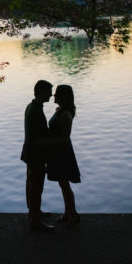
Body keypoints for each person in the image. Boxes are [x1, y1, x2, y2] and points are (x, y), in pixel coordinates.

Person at [21, 80, 56, 232]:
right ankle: (35, 220)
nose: (51, 94)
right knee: (36, 186)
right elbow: (37, 139)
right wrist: (56, 142)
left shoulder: (32, 106)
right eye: (49, 91)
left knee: (31, 183)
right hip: (36, 155)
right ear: (41, 92)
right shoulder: (35, 111)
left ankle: (34, 212)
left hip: (29, 152)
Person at [47, 84, 81, 226]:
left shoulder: (66, 114)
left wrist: (46, 142)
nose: (54, 96)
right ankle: (67, 212)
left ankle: (73, 214)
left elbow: (65, 137)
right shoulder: (60, 110)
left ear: (63, 97)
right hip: (57, 151)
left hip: (63, 152)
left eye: (56, 94)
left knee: (65, 184)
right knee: (62, 183)